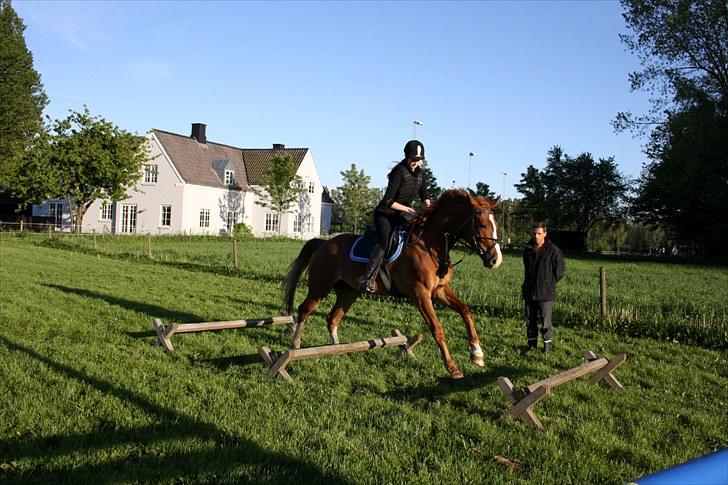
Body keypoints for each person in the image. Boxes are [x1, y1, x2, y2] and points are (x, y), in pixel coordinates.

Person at [358, 140, 431, 293]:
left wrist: (430, 211)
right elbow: (388, 201)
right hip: (385, 214)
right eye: (412, 159)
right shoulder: (398, 172)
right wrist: (409, 210)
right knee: (385, 241)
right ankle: (367, 278)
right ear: (406, 157)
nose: (415, 162)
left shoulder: (421, 175)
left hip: (402, 214)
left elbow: (425, 197)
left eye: (418, 160)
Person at [522, 222, 565, 352]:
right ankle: (531, 346)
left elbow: (559, 272)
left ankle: (547, 347)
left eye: (539, 233)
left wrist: (547, 283)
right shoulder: (527, 250)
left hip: (545, 293)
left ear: (545, 234)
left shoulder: (554, 251)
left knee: (546, 323)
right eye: (534, 233)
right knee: (530, 321)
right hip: (529, 291)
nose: (536, 236)